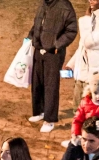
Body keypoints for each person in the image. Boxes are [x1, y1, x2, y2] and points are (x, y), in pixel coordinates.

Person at [27, 0, 78, 134]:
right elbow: (37, 24)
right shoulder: (44, 3)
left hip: (53, 54)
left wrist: (56, 45)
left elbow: (72, 30)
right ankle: (39, 111)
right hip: (38, 50)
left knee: (51, 85)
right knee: (37, 81)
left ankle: (49, 120)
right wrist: (30, 38)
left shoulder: (65, 6)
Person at [65, 0, 99, 107]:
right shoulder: (95, 17)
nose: (90, 0)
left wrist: (86, 20)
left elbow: (89, 42)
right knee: (78, 113)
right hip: (82, 77)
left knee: (93, 117)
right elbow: (83, 46)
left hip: (96, 81)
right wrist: (71, 64)